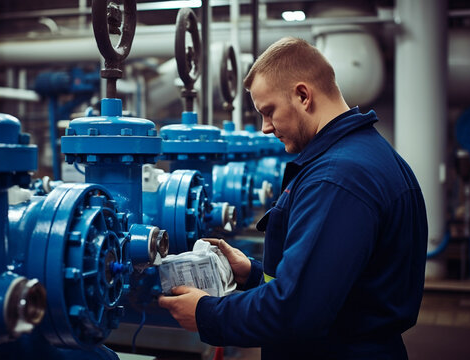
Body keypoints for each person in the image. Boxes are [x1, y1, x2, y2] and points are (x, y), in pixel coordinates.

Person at [158, 37, 428, 359]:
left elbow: (298, 310)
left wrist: (206, 314)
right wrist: (251, 273)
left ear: (303, 95)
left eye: (268, 111)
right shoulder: (368, 157)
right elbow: (335, 285)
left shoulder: (338, 177)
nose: (265, 128)